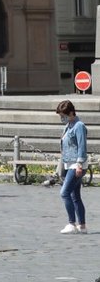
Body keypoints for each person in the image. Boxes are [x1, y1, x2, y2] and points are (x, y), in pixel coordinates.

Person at [57, 99, 88, 233]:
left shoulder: (78, 126)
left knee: (64, 193)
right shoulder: (69, 125)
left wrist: (79, 164)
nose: (62, 118)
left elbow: (82, 146)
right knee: (75, 196)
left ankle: (71, 223)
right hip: (69, 163)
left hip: (76, 164)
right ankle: (82, 225)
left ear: (71, 113)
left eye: (63, 115)